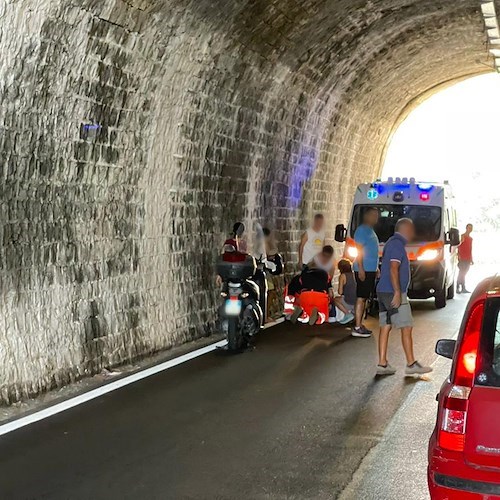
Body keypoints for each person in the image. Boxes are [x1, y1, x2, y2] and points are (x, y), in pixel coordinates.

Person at [375, 218, 432, 376]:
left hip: (383, 290)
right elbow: (394, 269)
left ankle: (382, 364)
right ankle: (411, 364)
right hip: (392, 292)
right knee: (406, 326)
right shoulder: (397, 245)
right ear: (405, 229)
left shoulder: (390, 243)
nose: (413, 232)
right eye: (411, 229)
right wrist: (398, 292)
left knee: (385, 326)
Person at [352, 207, 380, 338]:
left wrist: (376, 268)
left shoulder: (370, 230)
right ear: (367, 216)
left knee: (365, 297)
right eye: (373, 215)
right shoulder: (362, 230)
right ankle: (357, 326)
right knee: (361, 297)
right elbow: (359, 251)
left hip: (370, 269)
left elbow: (371, 250)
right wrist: (361, 268)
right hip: (364, 269)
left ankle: (360, 324)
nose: (376, 218)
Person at [457, 223, 474, 294]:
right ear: (466, 228)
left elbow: (470, 249)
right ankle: (458, 287)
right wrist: (458, 255)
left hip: (467, 258)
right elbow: (458, 246)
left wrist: (471, 259)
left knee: (464, 273)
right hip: (462, 257)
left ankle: (463, 287)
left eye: (471, 228)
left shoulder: (470, 239)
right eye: (469, 228)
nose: (470, 229)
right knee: (461, 273)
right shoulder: (462, 236)